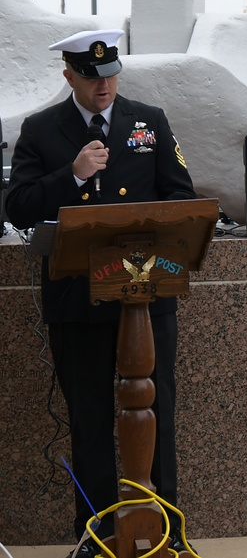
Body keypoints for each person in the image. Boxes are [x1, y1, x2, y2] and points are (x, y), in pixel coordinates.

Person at [5, 30, 197, 556]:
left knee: (158, 414)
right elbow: (18, 205)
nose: (104, 85)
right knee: (89, 419)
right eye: (91, 78)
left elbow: (179, 197)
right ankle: (96, 532)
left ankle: (167, 529)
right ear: (69, 76)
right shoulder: (42, 129)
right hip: (76, 299)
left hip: (145, 293)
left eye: (110, 74)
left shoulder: (148, 121)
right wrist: (71, 174)